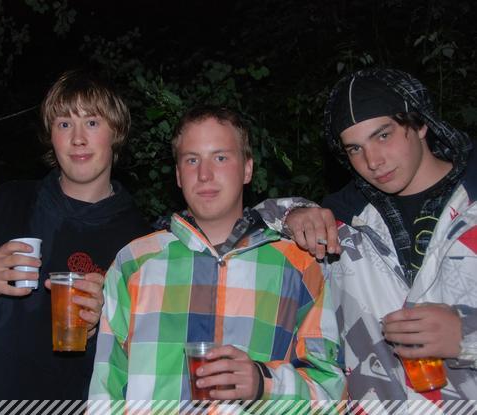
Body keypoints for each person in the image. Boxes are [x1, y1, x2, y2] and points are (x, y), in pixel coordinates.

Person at [89, 106, 345, 404]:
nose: (204, 174)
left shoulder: (298, 266)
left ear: (247, 169)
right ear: (178, 175)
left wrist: (264, 384)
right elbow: (104, 394)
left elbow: (332, 394)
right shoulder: (134, 263)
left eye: (220, 158)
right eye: (192, 160)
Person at [258, 68, 477, 402]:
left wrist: (467, 337)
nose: (372, 161)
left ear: (420, 123)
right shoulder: (344, 227)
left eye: (383, 135)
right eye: (355, 149)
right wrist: (291, 214)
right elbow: (235, 233)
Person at [0, 70, 151, 399]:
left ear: (116, 132)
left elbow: (144, 364)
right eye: (64, 124)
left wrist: (105, 327)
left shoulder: (140, 243)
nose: (78, 139)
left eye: (92, 122)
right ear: (51, 136)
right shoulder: (6, 202)